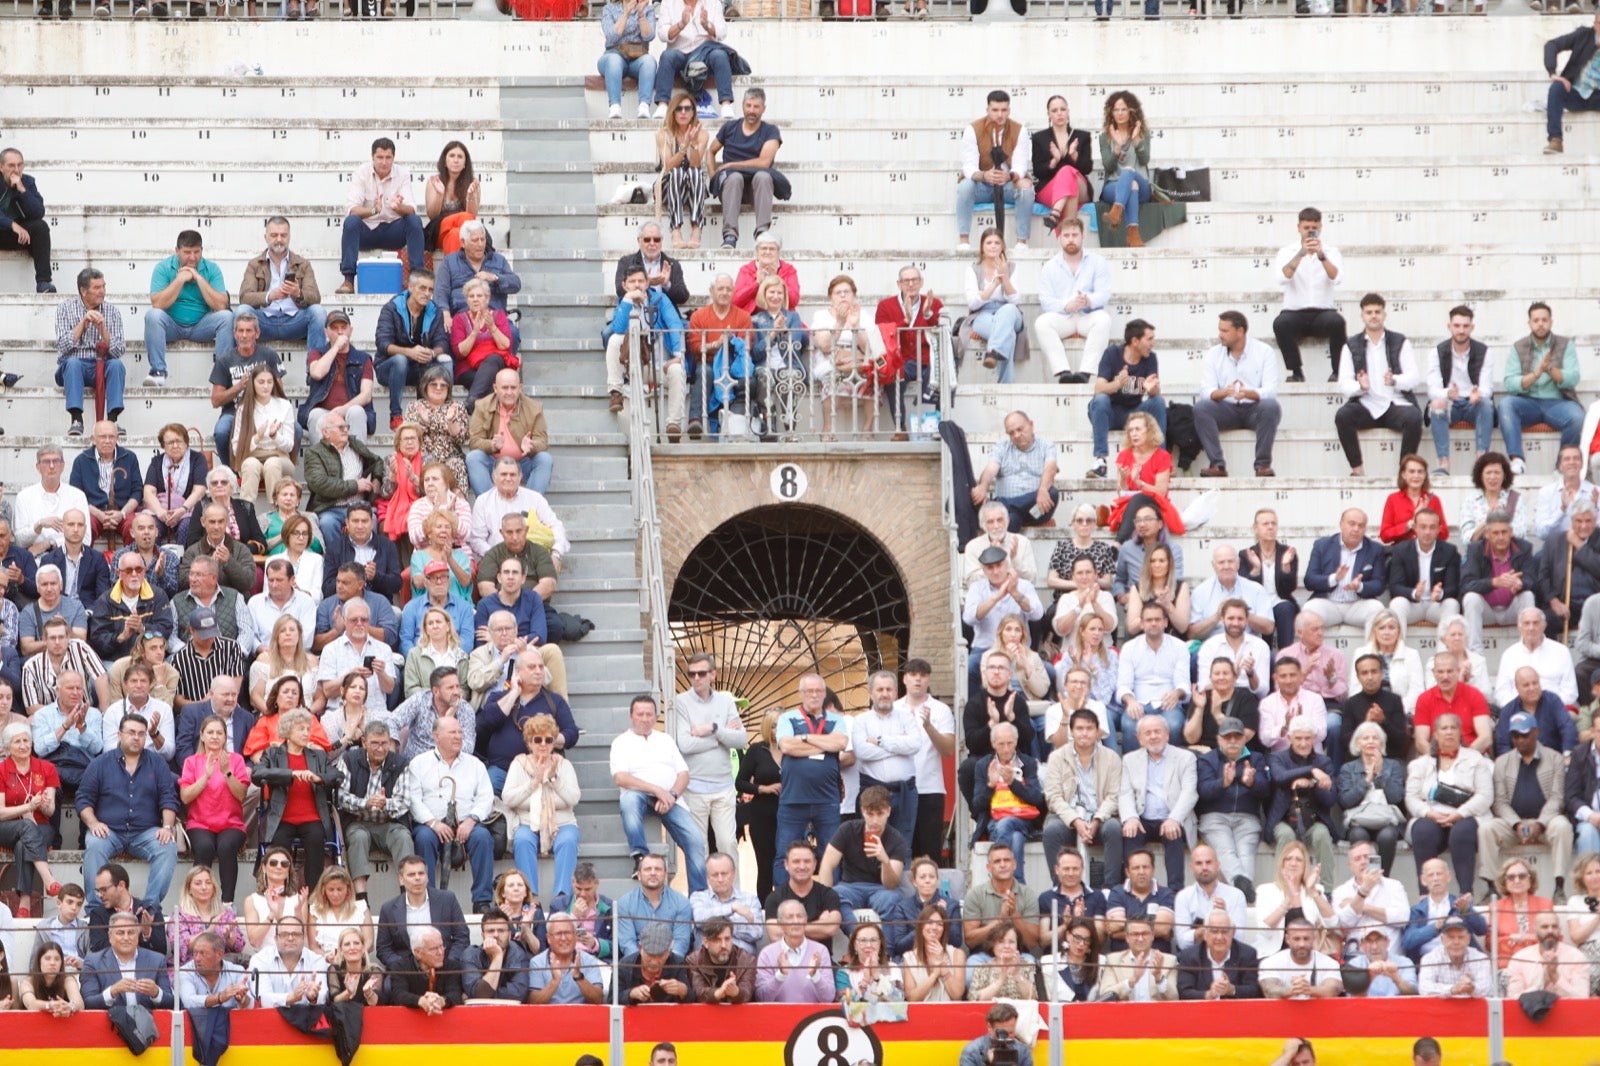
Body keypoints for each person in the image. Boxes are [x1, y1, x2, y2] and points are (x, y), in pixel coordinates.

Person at [75, 713, 178, 907]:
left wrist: (167, 827)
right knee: (94, 846)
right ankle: (97, 909)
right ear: (119, 734)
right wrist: (93, 823)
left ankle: (149, 907)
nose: (136, 737)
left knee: (168, 848)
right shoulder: (100, 764)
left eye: (141, 733)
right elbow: (83, 799)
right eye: (131, 732)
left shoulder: (157, 763)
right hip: (109, 831)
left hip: (145, 832)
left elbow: (168, 798)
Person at [610, 693, 708, 891]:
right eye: (640, 714)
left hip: (671, 800)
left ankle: (698, 897)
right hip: (639, 795)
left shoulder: (665, 740)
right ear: (631, 716)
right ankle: (640, 857)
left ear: (655, 716)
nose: (645, 719)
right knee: (628, 801)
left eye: (649, 714)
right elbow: (621, 778)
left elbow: (683, 774)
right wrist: (656, 790)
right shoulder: (621, 742)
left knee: (696, 841)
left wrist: (671, 795)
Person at [407, 716, 496, 913]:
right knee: (423, 838)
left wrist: (471, 820)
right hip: (431, 823)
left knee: (482, 837)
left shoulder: (475, 764)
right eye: (452, 732)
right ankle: (427, 898)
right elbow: (413, 799)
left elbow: (486, 798)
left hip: (467, 823)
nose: (458, 737)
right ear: (436, 736)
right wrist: (433, 823)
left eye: (460, 732)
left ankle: (482, 901)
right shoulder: (419, 763)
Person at [1481, 712, 1575, 898]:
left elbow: (1557, 798)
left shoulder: (1554, 757)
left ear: (1536, 732)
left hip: (1546, 824)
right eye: (1515, 736)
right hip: (1512, 825)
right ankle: (1491, 889)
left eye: (1525, 735)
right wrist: (1516, 824)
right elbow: (1500, 802)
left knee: (1563, 826)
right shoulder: (1502, 762)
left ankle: (1559, 887)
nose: (1520, 740)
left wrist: (1539, 824)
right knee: (1486, 828)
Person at [1334, 293, 1423, 477]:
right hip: (1366, 404)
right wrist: (1360, 387)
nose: (1373, 316)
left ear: (1384, 314)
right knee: (1343, 416)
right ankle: (1357, 470)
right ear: (1362, 316)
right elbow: (1343, 383)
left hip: (1394, 403)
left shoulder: (1400, 341)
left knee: (1414, 417)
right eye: (1369, 312)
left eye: (1377, 311)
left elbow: (1414, 377)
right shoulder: (1350, 345)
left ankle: (1404, 472)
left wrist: (1395, 380)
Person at [1407, 713, 1492, 894]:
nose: (1449, 732)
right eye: (1444, 728)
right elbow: (1411, 798)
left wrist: (1459, 814)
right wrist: (1429, 814)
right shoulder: (1420, 764)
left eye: (1453, 728)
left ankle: (1466, 894)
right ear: (1435, 734)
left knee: (1461, 832)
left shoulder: (1476, 759)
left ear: (1460, 732)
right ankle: (1425, 896)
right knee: (1422, 831)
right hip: (1432, 814)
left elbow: (1485, 796)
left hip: (1467, 814)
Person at [1193, 310, 1282, 479]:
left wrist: (1249, 393)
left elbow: (1271, 391)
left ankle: (1262, 465)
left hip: (1254, 409)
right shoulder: (1213, 354)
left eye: (1225, 331)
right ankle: (1217, 465)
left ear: (1240, 331)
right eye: (1220, 330)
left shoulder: (1264, 351)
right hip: (1225, 408)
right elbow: (1205, 390)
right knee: (1201, 408)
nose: (1220, 335)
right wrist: (1220, 393)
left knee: (1271, 406)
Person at [255, 709, 336, 890]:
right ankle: (280, 891)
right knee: (279, 846)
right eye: (301, 729)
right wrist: (290, 774)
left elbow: (336, 775)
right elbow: (257, 773)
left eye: (308, 729)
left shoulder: (318, 755)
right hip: (282, 817)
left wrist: (319, 778)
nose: (306, 733)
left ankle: (313, 896)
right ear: (288, 731)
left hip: (313, 817)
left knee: (316, 839)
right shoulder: (273, 753)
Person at [1499, 301, 1585, 470]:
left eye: (1544, 320)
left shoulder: (1565, 344)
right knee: (1506, 404)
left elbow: (1573, 377)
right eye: (1536, 320)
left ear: (1551, 322)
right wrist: (1536, 373)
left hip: (1558, 402)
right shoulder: (1518, 346)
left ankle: (1562, 466)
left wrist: (1550, 369)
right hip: (1527, 402)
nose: (1540, 324)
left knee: (1577, 417)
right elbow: (1510, 382)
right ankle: (1517, 460)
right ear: (1529, 323)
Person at [1041, 707, 1123, 883]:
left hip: (1100, 818)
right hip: (1067, 818)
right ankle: (1060, 888)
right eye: (1079, 728)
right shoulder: (1057, 757)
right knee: (1051, 831)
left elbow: (1114, 796)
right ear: (1071, 731)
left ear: (1097, 731)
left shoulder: (1112, 758)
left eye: (1089, 728)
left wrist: (1097, 820)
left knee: (1114, 829)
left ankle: (1110, 889)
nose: (1084, 733)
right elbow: (1053, 797)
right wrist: (1076, 821)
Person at [143, 229, 232, 389]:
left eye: (196, 252)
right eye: (187, 252)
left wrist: (198, 278)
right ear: (177, 251)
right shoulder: (163, 268)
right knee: (153, 316)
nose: (192, 257)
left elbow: (221, 305)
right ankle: (158, 372)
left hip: (201, 325)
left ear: (202, 251)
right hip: (172, 325)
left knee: (227, 317)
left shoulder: (211, 269)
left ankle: (222, 375)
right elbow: (158, 304)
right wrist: (180, 280)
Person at [1117, 715, 1196, 891]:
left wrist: (1174, 818)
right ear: (1139, 739)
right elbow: (1125, 793)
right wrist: (1130, 817)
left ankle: (1175, 893)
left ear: (1167, 734)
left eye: (1157, 731)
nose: (1153, 736)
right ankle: (1130, 889)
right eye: (1147, 733)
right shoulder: (1130, 759)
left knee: (1173, 834)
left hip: (1172, 817)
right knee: (1130, 833)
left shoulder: (1185, 758)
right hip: (1142, 818)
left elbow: (1189, 793)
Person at [177, 714, 251, 902]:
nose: (215, 736)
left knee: (226, 847)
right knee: (204, 848)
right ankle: (198, 903)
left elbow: (241, 794)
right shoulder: (192, 762)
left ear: (226, 737)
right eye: (210, 732)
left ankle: (227, 904)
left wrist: (227, 772)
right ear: (202, 736)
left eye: (220, 732)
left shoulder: (236, 760)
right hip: (200, 823)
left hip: (231, 824)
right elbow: (185, 797)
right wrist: (205, 777)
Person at [336, 138, 422, 295]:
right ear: (372, 157)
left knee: (414, 221)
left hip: (393, 230)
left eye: (388, 158)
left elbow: (411, 210)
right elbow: (352, 209)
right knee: (351, 222)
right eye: (380, 157)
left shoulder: (402, 174)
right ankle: (348, 280)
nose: (384, 162)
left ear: (393, 158)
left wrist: (399, 208)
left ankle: (418, 279)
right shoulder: (362, 172)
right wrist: (373, 211)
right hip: (367, 230)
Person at [1271, 207, 1346, 383]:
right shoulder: (1287, 251)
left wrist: (1321, 256)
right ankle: (1296, 372)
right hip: (1294, 312)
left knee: (1337, 322)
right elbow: (1282, 278)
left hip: (1323, 312)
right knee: (1280, 324)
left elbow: (1337, 278)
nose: (1310, 231)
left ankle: (1338, 371)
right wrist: (1301, 254)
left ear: (1320, 227)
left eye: (1314, 227)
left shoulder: (1331, 251)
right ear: (1299, 228)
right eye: (1306, 227)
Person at [238, 215, 328, 360]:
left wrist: (298, 293)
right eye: (274, 235)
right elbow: (244, 297)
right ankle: (242, 366)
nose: (279, 239)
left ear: (289, 237)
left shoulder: (303, 264)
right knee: (242, 311)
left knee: (318, 312)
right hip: (263, 322)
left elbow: (315, 297)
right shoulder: (255, 264)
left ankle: (314, 369)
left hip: (294, 321)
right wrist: (269, 296)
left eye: (283, 235)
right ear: (266, 237)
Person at [1034, 219, 1110, 386]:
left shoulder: (1098, 262)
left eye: (1074, 235)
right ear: (1060, 238)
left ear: (1083, 236)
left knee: (1103, 319)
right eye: (1066, 235)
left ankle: (1086, 372)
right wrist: (1066, 306)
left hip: (1087, 316)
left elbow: (1104, 294)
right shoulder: (1050, 266)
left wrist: (1088, 300)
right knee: (1042, 323)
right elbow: (1045, 300)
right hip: (1064, 317)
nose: (1070, 239)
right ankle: (1063, 372)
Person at [1086, 319, 1165, 478]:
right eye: (1149, 339)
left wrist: (1153, 390)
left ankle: (1161, 460)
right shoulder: (1112, 354)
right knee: (1101, 400)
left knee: (1158, 402)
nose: (1153, 343)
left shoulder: (1150, 358)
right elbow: (1098, 388)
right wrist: (1117, 384)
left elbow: (1154, 390)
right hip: (1108, 414)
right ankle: (1101, 461)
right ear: (1135, 341)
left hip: (1132, 415)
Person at [956, 90, 1034, 252]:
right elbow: (969, 166)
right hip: (982, 185)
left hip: (1006, 185)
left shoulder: (1019, 130)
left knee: (1026, 188)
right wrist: (984, 175)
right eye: (995, 110)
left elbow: (1020, 165)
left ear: (1009, 110)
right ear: (987, 110)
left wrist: (1010, 176)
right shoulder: (973, 129)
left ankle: (1021, 242)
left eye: (1004, 110)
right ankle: (964, 240)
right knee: (965, 186)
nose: (1000, 114)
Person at [1265, 717, 1339, 885]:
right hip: (1283, 819)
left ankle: (1327, 890)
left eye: (1307, 738)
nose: (1303, 743)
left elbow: (1330, 799)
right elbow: (1280, 777)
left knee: (1322, 835)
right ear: (1289, 738)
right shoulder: (1277, 758)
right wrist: (1312, 771)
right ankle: (1283, 888)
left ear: (1314, 738)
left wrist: (1312, 784)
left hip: (1313, 819)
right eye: (1298, 738)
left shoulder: (1324, 762)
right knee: (1286, 835)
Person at [376, 272, 452, 435]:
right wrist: (409, 352)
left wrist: (431, 352)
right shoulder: (392, 308)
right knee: (401, 360)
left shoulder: (434, 311)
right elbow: (383, 343)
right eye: (422, 288)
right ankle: (396, 415)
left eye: (430, 289)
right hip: (389, 368)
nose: (427, 293)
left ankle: (429, 415)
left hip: (419, 367)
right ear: (410, 287)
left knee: (438, 362)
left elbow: (442, 343)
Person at [304, 412, 388, 559]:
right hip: (330, 507)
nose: (346, 430)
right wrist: (355, 486)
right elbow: (320, 483)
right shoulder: (314, 452)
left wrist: (377, 479)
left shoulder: (355, 444)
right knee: (327, 524)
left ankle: (368, 564)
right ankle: (337, 564)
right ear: (326, 433)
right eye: (340, 427)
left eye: (346, 426)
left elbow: (377, 462)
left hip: (359, 505)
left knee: (372, 519)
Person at [53, 269, 126, 437]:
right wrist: (83, 324)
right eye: (97, 287)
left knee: (116, 365)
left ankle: (113, 420)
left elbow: (119, 350)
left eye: (103, 286)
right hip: (74, 365)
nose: (102, 291)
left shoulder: (112, 311)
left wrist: (103, 331)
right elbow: (62, 347)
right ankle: (76, 420)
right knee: (72, 363)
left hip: (102, 364)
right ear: (83, 291)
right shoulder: (65, 309)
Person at [708, 88, 782, 250]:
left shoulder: (771, 131)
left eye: (756, 106)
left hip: (756, 191)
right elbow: (711, 151)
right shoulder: (730, 127)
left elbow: (764, 162)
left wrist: (732, 165)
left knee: (763, 176)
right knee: (734, 178)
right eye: (748, 105)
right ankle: (730, 236)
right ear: (742, 106)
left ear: (763, 109)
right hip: (731, 188)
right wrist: (713, 176)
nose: (751, 110)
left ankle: (762, 234)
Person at [0, 722, 61, 913]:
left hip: (40, 826)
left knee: (22, 844)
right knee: (26, 825)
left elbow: (50, 811)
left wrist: (43, 804)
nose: (23, 745)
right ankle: (48, 878)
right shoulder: (1, 770)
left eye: (26, 740)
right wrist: (27, 807)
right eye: (17, 741)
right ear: (7, 747)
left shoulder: (46, 767)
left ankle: (24, 903)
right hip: (7, 827)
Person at [1428, 304, 1495, 476]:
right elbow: (1432, 389)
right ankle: (1444, 463)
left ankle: (1482, 460)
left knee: (1486, 403)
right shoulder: (1437, 352)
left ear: (1472, 327)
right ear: (1449, 327)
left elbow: (1487, 387)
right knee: (1436, 403)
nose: (1461, 330)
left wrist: (1478, 394)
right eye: (1457, 326)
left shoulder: (1484, 351)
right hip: (1451, 403)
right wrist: (1447, 394)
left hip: (1473, 403)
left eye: (1465, 326)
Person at [1115, 602, 1190, 752]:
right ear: (1142, 624)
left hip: (1168, 704)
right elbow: (1123, 684)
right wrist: (1130, 701)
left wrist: (1177, 693)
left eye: (1157, 619)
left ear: (1165, 622)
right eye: (1149, 620)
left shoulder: (1179, 647)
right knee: (1130, 725)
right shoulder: (1129, 648)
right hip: (1139, 703)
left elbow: (1183, 682)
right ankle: (1133, 770)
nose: (1153, 623)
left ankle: (1170, 769)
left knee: (1174, 724)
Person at [375, 855, 469, 972]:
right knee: (389, 987)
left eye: (421, 873)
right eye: (411, 875)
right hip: (406, 972)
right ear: (401, 879)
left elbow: (462, 937)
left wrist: (447, 962)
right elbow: (383, 949)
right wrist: (403, 967)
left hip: (443, 967)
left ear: (427, 876)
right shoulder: (388, 909)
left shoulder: (447, 899)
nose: (417, 878)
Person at [466, 366, 550, 498]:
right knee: (474, 458)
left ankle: (530, 508)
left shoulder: (534, 408)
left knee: (545, 459)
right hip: (494, 462)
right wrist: (492, 445)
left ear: (520, 388)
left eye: (513, 387)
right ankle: (490, 506)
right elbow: (474, 442)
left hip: (522, 462)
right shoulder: (482, 406)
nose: (509, 392)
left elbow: (543, 441)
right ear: (495, 388)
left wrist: (531, 446)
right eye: (505, 388)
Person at [1338, 721, 1407, 876]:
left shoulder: (1393, 766)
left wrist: (1380, 775)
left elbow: (1396, 797)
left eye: (1375, 738)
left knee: (1387, 836)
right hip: (1359, 819)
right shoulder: (1348, 768)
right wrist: (1367, 780)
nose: (1370, 741)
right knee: (1359, 836)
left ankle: (1381, 878)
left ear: (1381, 743)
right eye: (1365, 738)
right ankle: (1364, 878)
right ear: (1357, 743)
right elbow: (1346, 801)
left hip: (1386, 819)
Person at [1300, 508, 1386, 631]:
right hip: (1329, 603)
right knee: (1309, 610)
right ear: (1341, 525)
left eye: (1361, 525)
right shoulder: (1322, 545)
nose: (1356, 529)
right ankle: (1315, 651)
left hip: (1357, 604)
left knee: (1377, 609)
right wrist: (1334, 579)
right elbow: (1309, 580)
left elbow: (1379, 585)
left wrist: (1360, 586)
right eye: (1352, 524)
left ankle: (1370, 650)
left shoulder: (1375, 549)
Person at [300, 310, 376, 447]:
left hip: (350, 411)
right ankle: (322, 466)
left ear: (350, 330)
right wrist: (335, 347)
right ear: (326, 332)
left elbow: (366, 395)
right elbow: (317, 373)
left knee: (357, 411)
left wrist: (344, 409)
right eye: (334, 328)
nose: (340, 332)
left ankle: (357, 466)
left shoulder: (363, 358)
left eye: (343, 328)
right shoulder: (317, 354)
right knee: (315, 414)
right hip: (324, 411)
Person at [81, 912, 173, 1011]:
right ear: (110, 936)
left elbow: (172, 1004)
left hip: (147, 1024)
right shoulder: (93, 962)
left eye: (131, 932)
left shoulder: (157, 960)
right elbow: (88, 1003)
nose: (126, 938)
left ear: (138, 935)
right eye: (120, 933)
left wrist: (156, 993)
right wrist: (112, 991)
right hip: (109, 1024)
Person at [1495, 605, 1579, 707]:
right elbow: (1501, 693)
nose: (1531, 628)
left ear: (1544, 626)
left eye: (1536, 623)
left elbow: (1570, 692)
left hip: (1554, 710)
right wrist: (1520, 708)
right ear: (1519, 627)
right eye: (1527, 623)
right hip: (1519, 711)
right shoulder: (1509, 654)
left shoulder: (1561, 651)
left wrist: (1549, 708)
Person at [1097, 91, 1151, 248]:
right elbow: (1108, 166)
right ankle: (1133, 235)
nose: (1120, 113)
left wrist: (1136, 141)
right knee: (1130, 185)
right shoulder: (1105, 137)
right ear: (1111, 112)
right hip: (1113, 186)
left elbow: (1145, 159)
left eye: (1124, 109)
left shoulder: (1142, 134)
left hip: (1142, 186)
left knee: (1130, 173)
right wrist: (1118, 147)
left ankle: (1116, 212)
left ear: (1131, 111)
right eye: (1116, 110)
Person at [1032, 95, 1093, 235]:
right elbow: (1038, 172)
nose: (1059, 113)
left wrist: (1074, 156)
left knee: (1067, 171)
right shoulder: (1039, 138)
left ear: (1068, 112)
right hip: (1049, 188)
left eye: (1062, 109)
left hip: (1080, 186)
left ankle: (1055, 214)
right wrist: (1054, 161)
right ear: (1048, 114)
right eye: (1054, 110)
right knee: (1070, 192)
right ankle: (1069, 236)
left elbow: (1087, 168)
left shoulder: (1082, 136)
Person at [1543, 10, 1600, 154]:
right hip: (1576, 93)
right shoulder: (1583, 35)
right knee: (1556, 88)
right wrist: (1553, 73)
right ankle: (1555, 140)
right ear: (1595, 25)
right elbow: (1552, 45)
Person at [755, 898, 832, 1003]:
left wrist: (815, 975)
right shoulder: (767, 954)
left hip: (813, 1018)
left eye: (800, 916)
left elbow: (829, 998)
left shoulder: (820, 951)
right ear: (780, 923)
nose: (796, 921)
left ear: (806, 920)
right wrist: (780, 975)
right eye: (790, 917)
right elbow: (762, 998)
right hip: (779, 1017)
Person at [1176, 909, 1261, 1001]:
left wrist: (1231, 989)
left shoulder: (1247, 954)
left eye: (1224, 931)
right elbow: (1183, 992)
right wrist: (1209, 994)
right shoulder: (1189, 956)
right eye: (1214, 931)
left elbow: (1254, 990)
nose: (1219, 937)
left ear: (1233, 932)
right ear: (1205, 934)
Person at [0, 147, 53, 293]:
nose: (16, 170)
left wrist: (22, 190)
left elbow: (38, 213)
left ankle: (44, 283)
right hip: (5, 229)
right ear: (1, 167)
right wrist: (12, 224)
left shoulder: (27, 182)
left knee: (41, 227)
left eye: (20, 165)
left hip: (19, 236)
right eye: (11, 165)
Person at [1495, 667, 1578, 757]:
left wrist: (1567, 754)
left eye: (1535, 683)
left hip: (1555, 760)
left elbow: (1567, 727)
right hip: (1520, 763)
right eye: (1526, 685)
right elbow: (1503, 745)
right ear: (1517, 687)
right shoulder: (1508, 711)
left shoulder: (1553, 701)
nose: (1532, 688)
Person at [526, 911, 605, 1005]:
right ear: (548, 938)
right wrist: (555, 981)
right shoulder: (537, 962)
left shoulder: (589, 960)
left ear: (576, 936)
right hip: (548, 1017)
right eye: (558, 933)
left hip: (581, 1017)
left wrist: (579, 977)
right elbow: (533, 1003)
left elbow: (599, 1000)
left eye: (568, 933)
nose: (563, 938)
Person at [1505, 910, 1589, 998]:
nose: (1550, 931)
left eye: (1554, 926)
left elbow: (1582, 999)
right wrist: (1542, 982)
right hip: (1531, 1011)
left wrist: (1555, 977)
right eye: (1545, 927)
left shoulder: (1576, 957)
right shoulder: (1519, 959)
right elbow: (1513, 1000)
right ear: (1535, 931)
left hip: (1568, 1011)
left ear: (1560, 930)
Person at [598, 0, 658, 119]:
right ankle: (615, 107)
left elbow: (649, 36)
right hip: (614, 54)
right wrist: (626, 14)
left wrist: (641, 15)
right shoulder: (609, 9)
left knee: (649, 62)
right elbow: (611, 36)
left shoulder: (648, 9)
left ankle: (644, 106)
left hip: (637, 57)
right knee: (614, 61)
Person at [1258, 917, 1342, 1000]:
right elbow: (1269, 991)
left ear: (1314, 938)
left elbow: (1333, 990)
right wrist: (1292, 990)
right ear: (1287, 939)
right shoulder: (1270, 962)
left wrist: (1308, 989)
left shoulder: (1329, 963)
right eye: (1296, 939)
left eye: (1306, 939)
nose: (1302, 944)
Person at [460, 907, 531, 1003]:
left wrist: (484, 993)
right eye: (490, 931)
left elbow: (519, 994)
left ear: (510, 935)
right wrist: (497, 957)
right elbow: (479, 994)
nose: (496, 935)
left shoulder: (519, 953)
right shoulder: (471, 954)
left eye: (501, 930)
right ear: (483, 935)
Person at [389, 925, 464, 1013]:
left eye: (441, 946)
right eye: (433, 949)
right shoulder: (400, 967)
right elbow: (399, 995)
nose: (440, 952)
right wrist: (420, 1001)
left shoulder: (452, 967)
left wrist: (441, 1001)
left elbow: (455, 994)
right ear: (417, 952)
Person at [1417, 915, 1493, 997]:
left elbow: (1487, 988)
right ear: (1442, 939)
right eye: (1451, 937)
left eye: (1461, 937)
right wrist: (1453, 989)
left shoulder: (1480, 958)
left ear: (1468, 939)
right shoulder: (1430, 958)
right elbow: (1424, 988)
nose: (1456, 942)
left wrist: (1471, 988)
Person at [958, 1003, 1035, 1066]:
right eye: (1003, 1033)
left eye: (1011, 1032)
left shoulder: (1022, 1051)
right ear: (989, 1027)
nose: (1007, 1037)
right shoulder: (972, 1052)